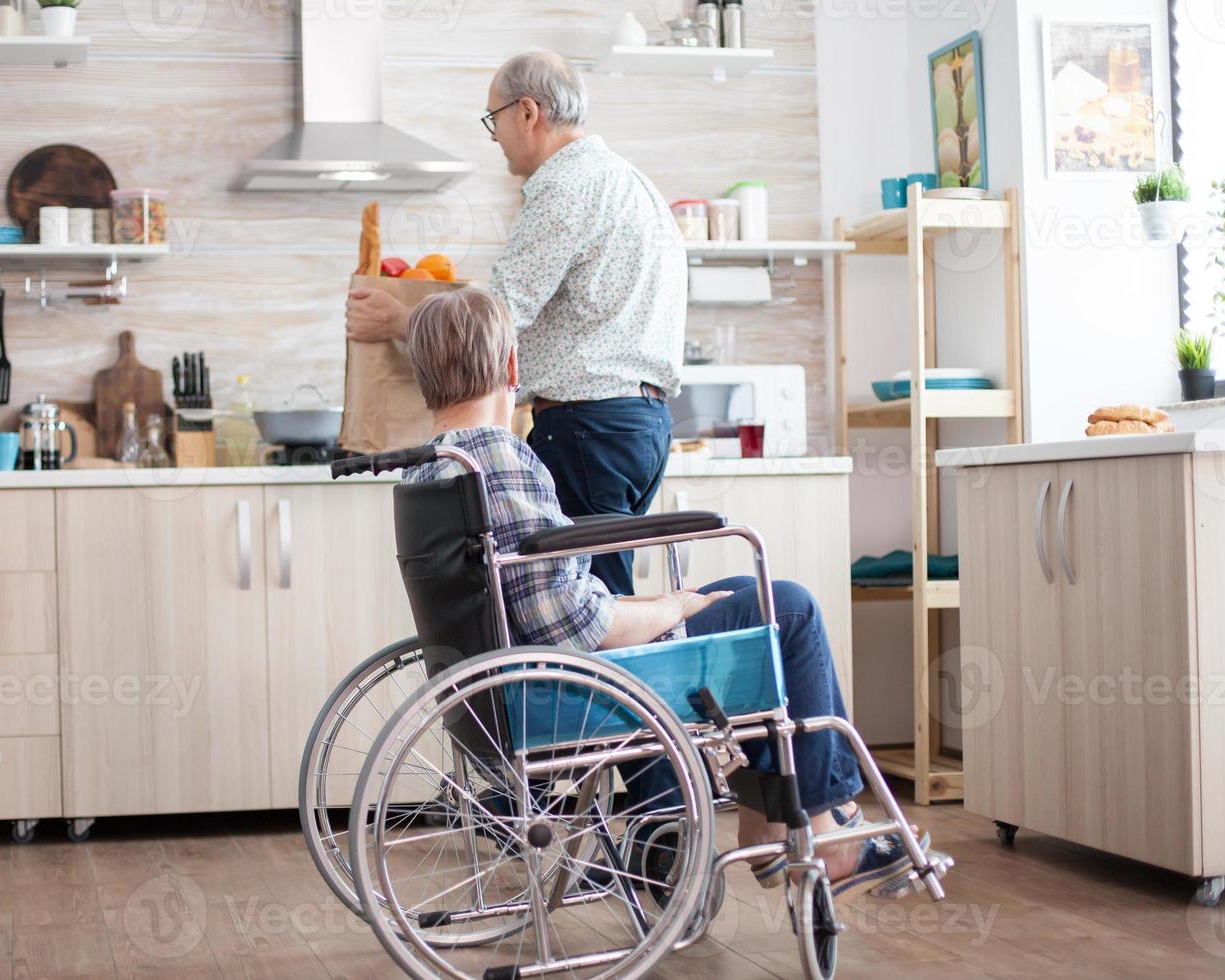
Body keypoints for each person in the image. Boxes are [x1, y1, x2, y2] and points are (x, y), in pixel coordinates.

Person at [399, 287, 929, 900]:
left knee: (729, 598)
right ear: (515, 367)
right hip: (567, 688)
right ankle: (825, 828)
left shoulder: (434, 465)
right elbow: (571, 625)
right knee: (787, 607)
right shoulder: (503, 459)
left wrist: (659, 606)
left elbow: (536, 601)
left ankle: (770, 814)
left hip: (503, 685)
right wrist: (668, 609)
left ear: (423, 375)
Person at [347, 50, 686, 597]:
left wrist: (399, 319)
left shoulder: (567, 185)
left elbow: (494, 315)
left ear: (527, 112)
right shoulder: (628, 180)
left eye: (493, 118)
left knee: (590, 619)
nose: (494, 136)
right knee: (606, 604)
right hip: (639, 425)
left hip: (587, 428)